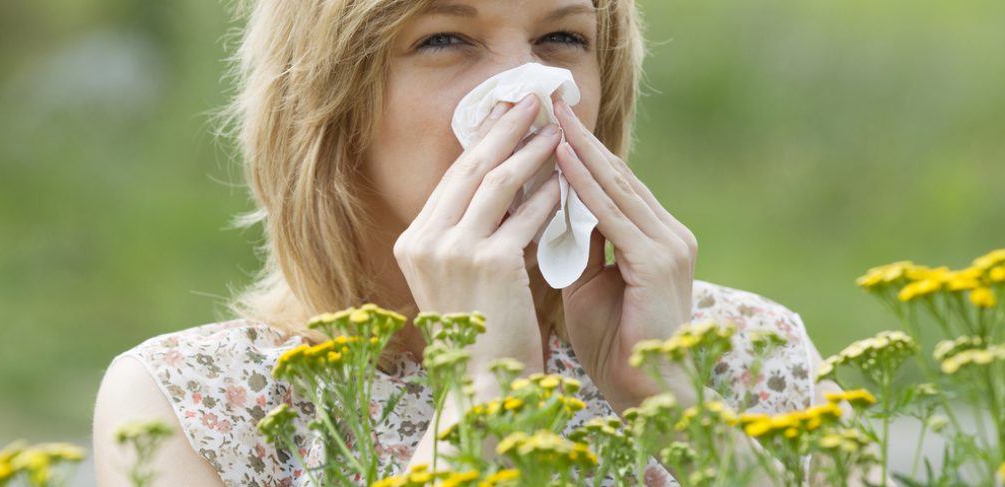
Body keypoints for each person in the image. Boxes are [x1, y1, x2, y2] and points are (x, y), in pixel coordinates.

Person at [93, 1, 841, 485]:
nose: (529, 86)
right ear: (329, 101)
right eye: (444, 39)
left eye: (561, 38)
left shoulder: (751, 355)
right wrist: (484, 395)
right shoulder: (193, 402)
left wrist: (677, 406)